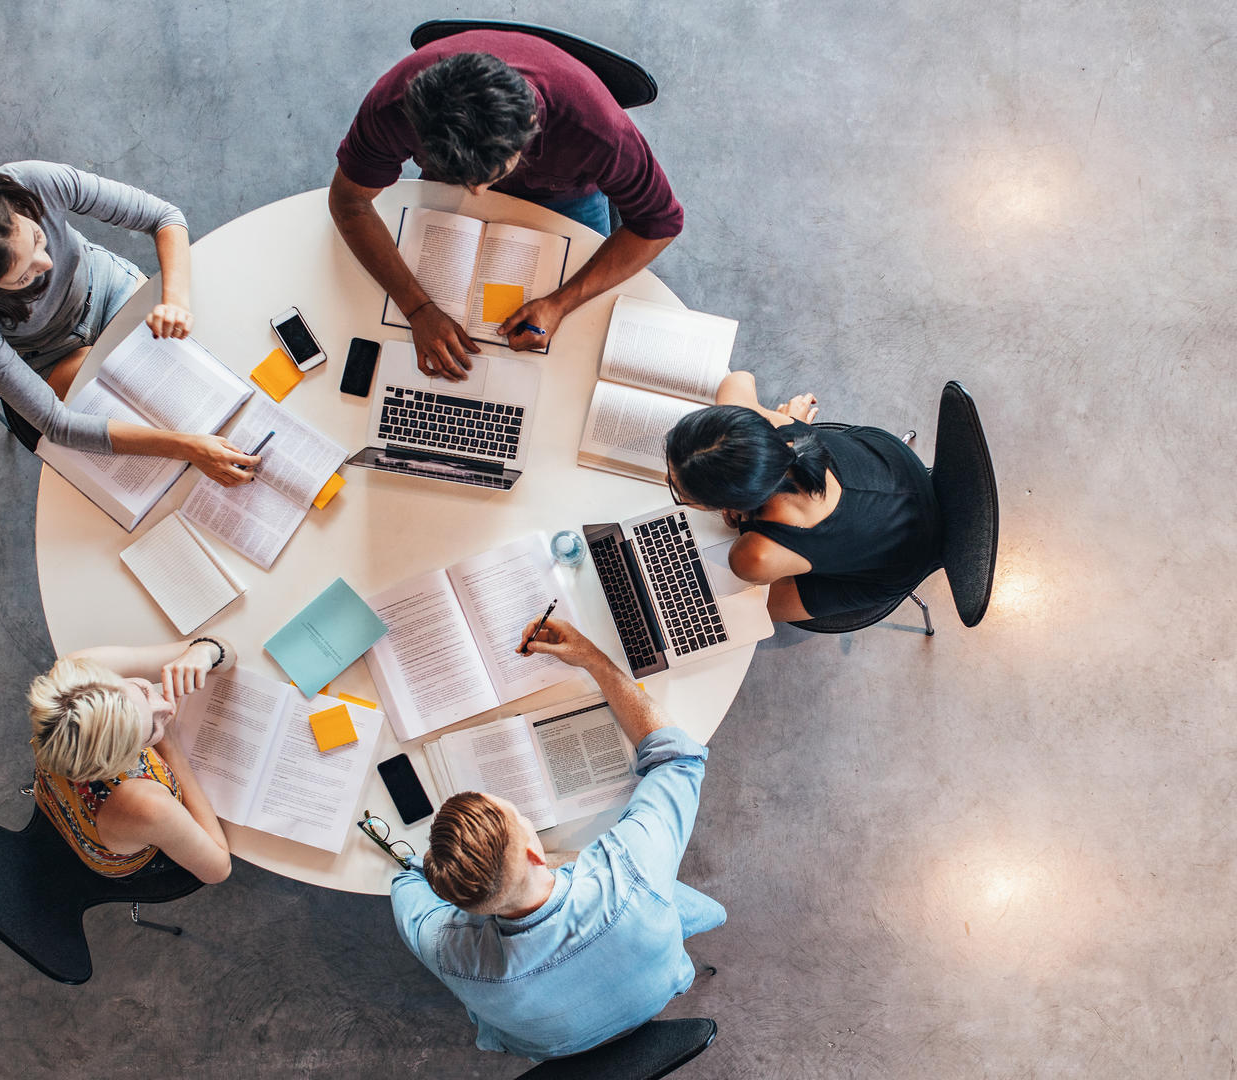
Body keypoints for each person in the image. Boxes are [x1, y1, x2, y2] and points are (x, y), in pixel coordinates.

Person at [389, 617, 724, 1061]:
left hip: (553, 1048)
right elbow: (678, 759)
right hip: (659, 987)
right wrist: (593, 659)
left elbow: (405, 884)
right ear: (533, 850)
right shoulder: (629, 873)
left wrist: (435, 867)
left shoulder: (447, 950)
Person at [329, 31, 684, 380]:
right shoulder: (393, 104)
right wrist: (418, 308)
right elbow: (349, 202)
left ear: (532, 126)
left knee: (574, 346)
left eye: (490, 175)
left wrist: (561, 303)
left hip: (568, 194)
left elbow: (660, 224)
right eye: (467, 180)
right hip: (449, 186)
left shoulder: (597, 131)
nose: (478, 194)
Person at [0, 161, 259, 485]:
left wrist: (175, 300)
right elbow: (56, 423)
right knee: (153, 428)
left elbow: (164, 217)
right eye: (22, 277)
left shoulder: (32, 181)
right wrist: (185, 448)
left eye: (37, 237)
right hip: (49, 355)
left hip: (111, 290)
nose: (47, 264)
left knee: (210, 369)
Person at [664, 372, 944, 623]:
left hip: (901, 560)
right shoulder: (772, 427)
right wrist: (789, 422)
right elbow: (737, 380)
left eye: (680, 492)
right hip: (895, 467)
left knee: (737, 613)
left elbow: (751, 558)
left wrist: (745, 519)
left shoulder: (753, 557)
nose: (667, 480)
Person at [27, 637, 234, 883]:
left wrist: (205, 651)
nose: (166, 707)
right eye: (151, 730)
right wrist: (171, 746)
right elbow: (218, 869)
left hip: (54, 795)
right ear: (123, 761)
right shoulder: (146, 804)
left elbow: (224, 650)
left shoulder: (78, 675)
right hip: (118, 853)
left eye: (144, 690)